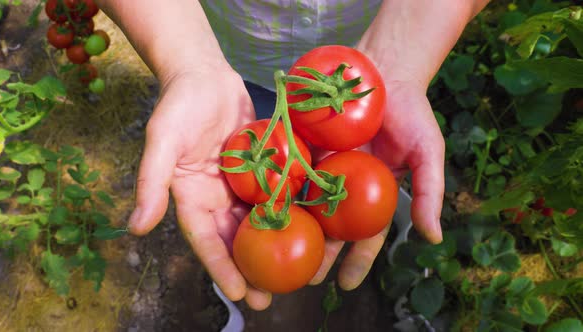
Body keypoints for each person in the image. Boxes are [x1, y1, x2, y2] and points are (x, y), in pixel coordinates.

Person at [95, 0, 490, 311]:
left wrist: (412, 41)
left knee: (260, 139)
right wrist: (186, 61)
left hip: (360, 62)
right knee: (253, 123)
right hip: (232, 57)